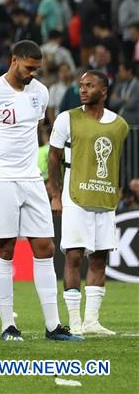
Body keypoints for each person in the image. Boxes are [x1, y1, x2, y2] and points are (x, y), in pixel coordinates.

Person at [0, 39, 83, 342]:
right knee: (4, 248)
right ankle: (8, 326)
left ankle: (54, 326)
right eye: (29, 68)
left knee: (44, 248)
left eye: (37, 69)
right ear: (14, 60)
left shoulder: (40, 93)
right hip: (0, 179)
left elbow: (35, 130)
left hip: (31, 178)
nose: (33, 73)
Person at [49, 70, 128, 336]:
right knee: (73, 256)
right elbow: (53, 158)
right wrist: (56, 194)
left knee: (99, 257)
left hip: (104, 198)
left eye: (89, 86)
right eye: (81, 85)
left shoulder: (120, 125)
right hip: (75, 196)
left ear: (104, 91)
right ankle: (75, 320)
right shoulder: (66, 118)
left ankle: (92, 320)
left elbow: (120, 160)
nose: (83, 90)